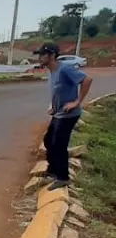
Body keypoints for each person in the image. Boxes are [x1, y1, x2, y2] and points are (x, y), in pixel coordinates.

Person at [34, 42, 93, 190]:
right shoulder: (51, 71)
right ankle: (53, 170)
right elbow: (57, 91)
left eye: (43, 55)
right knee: (48, 141)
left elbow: (87, 80)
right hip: (59, 113)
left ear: (52, 55)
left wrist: (77, 102)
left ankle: (63, 177)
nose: (40, 58)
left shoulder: (65, 69)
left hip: (69, 114)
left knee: (59, 145)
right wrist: (52, 105)